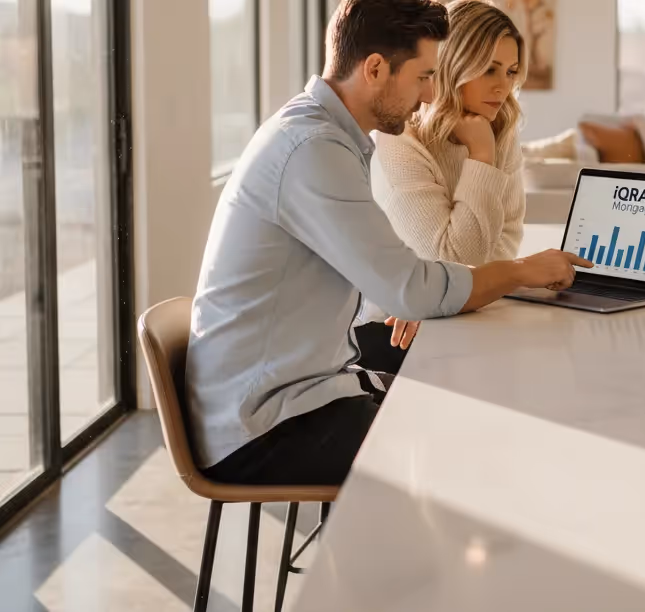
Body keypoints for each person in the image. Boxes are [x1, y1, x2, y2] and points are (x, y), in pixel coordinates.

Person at [186, 0, 590, 487]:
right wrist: (521, 272)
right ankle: (395, 560)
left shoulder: (327, 136)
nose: (427, 96)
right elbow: (413, 289)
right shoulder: (313, 150)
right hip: (265, 426)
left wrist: (426, 288)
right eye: (422, 76)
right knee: (470, 445)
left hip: (308, 392)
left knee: (476, 414)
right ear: (375, 68)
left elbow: (406, 279)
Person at [358, 0, 528, 374]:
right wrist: (481, 155)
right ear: (452, 65)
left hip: (461, 311)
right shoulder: (398, 140)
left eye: (512, 71)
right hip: (388, 332)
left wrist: (475, 283)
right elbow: (450, 257)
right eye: (488, 70)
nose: (503, 87)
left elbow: (507, 236)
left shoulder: (499, 128)